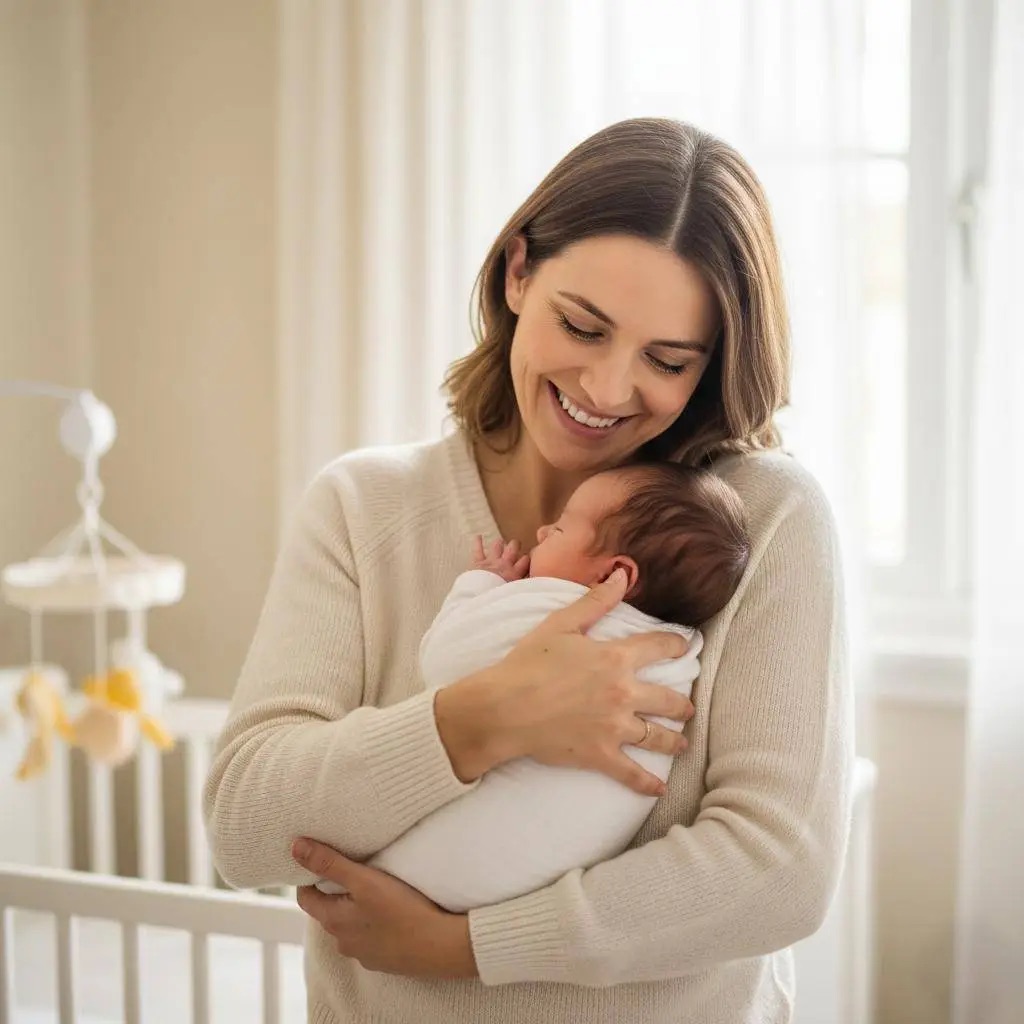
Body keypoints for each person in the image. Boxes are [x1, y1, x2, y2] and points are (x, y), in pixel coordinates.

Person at [204, 117, 852, 1024]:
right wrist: (484, 718)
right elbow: (244, 830)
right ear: (517, 274)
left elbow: (781, 872)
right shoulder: (365, 507)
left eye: (667, 360)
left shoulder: (762, 522)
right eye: (582, 326)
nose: (608, 389)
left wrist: (469, 948)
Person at [315, 463, 751, 912]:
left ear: (611, 578)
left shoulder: (552, 604)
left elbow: (445, 658)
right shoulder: (678, 652)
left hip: (458, 863)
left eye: (559, 529)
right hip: (546, 872)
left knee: (331, 862)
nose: (541, 533)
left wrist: (482, 584)